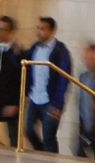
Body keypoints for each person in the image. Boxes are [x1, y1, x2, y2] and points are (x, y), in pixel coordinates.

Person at [23, 17, 72, 153]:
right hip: (35, 98)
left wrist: (58, 104)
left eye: (42, 29)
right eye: (38, 28)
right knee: (28, 130)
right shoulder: (35, 48)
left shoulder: (60, 51)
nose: (39, 32)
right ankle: (42, 153)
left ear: (52, 31)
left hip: (50, 101)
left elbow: (63, 79)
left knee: (49, 136)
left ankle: (51, 161)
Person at [0, 16, 22, 147]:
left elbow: (20, 80)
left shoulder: (16, 53)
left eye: (3, 29)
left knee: (14, 137)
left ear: (10, 32)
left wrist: (15, 103)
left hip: (10, 101)